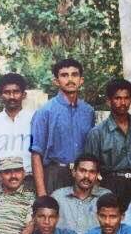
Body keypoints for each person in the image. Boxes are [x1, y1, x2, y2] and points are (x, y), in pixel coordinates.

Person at [30, 58, 95, 195]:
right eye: (64, 75)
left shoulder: (88, 111)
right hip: (55, 175)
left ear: (81, 80)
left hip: (83, 176)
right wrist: (42, 194)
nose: (70, 79)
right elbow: (36, 154)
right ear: (56, 81)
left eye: (74, 75)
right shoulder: (45, 112)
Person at [82, 77, 131, 210]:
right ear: (108, 101)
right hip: (109, 187)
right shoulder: (97, 133)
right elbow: (90, 169)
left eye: (126, 98)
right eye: (117, 98)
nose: (122, 102)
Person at [51, 154, 112, 234]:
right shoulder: (58, 197)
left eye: (92, 172)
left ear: (97, 175)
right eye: (82, 171)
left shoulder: (105, 196)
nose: (87, 176)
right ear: (74, 172)